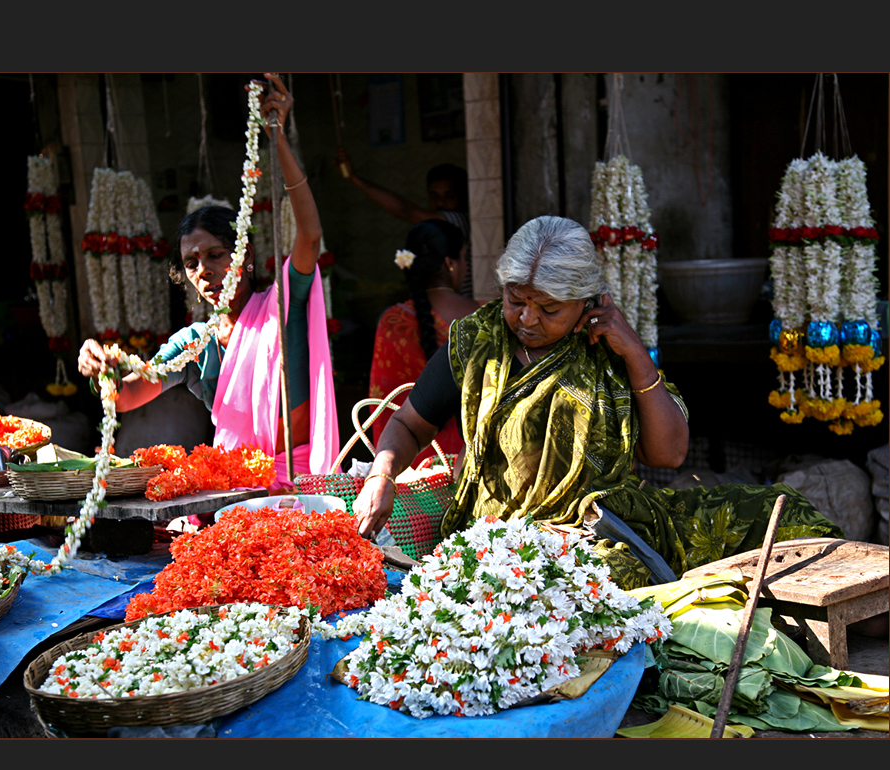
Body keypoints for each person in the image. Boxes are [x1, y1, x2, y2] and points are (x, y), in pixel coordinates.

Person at [353, 215, 842, 589]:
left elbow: (668, 455)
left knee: (783, 512)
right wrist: (382, 475)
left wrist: (635, 355)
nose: (526, 318)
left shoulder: (607, 350)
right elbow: (410, 424)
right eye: (515, 300)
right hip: (504, 536)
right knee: (607, 583)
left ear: (587, 300)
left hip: (605, 520)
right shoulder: (476, 340)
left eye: (549, 309)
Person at [78, 73, 338, 492]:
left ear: (246, 256)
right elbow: (126, 398)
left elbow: (308, 235)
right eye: (192, 262)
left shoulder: (282, 305)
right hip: (231, 491)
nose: (205, 271)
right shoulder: (194, 344)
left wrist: (278, 139)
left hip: (300, 485)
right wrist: (99, 370)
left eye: (217, 255)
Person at [368, 219, 480, 467]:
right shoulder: (483, 318)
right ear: (450, 264)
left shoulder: (392, 322)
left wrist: (385, 472)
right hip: (470, 468)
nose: (465, 266)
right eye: (463, 258)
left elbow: (382, 407)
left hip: (407, 471)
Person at [336, 147, 473, 297]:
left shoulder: (459, 220)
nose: (441, 203)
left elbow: (406, 211)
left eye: (450, 197)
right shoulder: (436, 230)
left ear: (464, 197)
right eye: (434, 197)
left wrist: (355, 179)